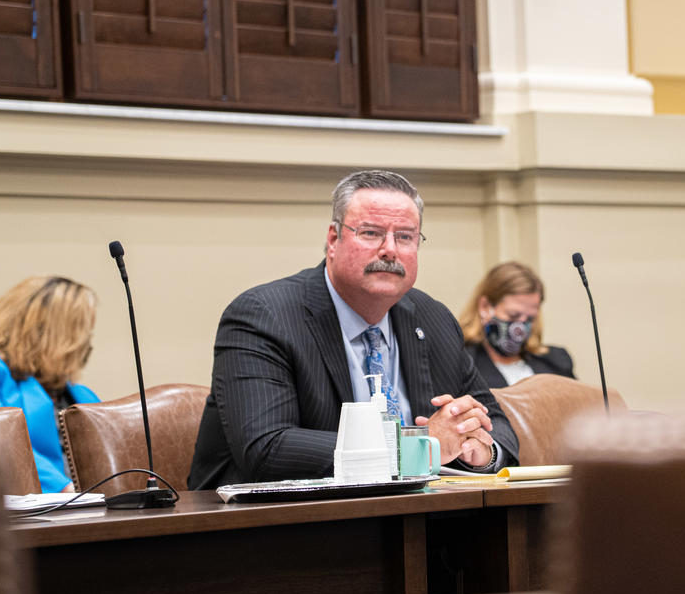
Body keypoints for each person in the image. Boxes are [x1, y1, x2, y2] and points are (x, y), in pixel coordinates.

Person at [189, 170, 520, 487]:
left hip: (413, 523)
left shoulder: (431, 318)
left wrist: (479, 450)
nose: (390, 249)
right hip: (281, 529)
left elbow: (499, 427)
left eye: (404, 236)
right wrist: (417, 449)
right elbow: (267, 447)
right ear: (333, 240)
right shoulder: (264, 316)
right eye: (371, 233)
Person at [0, 276, 100, 492]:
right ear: (51, 331)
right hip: (28, 510)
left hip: (87, 506)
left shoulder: (77, 393)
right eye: (81, 330)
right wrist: (65, 489)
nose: (86, 341)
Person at [458, 261, 575, 388]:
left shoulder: (556, 361)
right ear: (485, 307)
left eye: (530, 319)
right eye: (513, 315)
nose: (521, 327)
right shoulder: (462, 365)